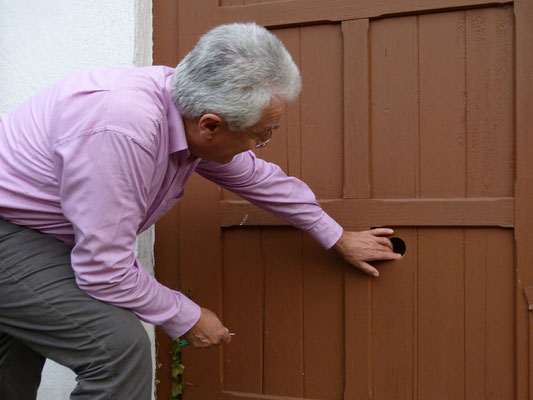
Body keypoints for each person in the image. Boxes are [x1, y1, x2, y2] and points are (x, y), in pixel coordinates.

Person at [0, 23, 400, 399]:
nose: (261, 143)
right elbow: (103, 268)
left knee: (12, 366)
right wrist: (186, 315)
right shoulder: (123, 131)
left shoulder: (185, 109)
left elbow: (260, 180)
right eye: (262, 135)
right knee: (116, 351)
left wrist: (337, 236)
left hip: (31, 231)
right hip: (9, 228)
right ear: (210, 125)